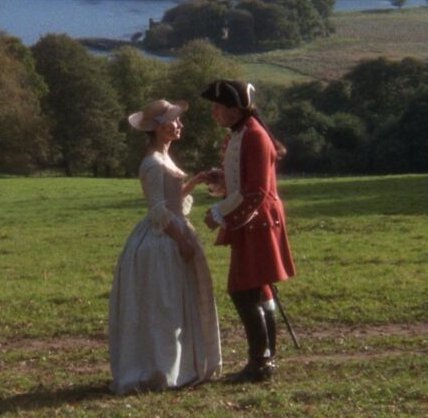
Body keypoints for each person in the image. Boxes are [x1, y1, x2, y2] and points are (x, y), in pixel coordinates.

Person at [108, 99, 222, 394]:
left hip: (172, 232)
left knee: (174, 300)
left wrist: (193, 182)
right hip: (161, 241)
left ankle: (180, 365)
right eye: (174, 120)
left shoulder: (164, 158)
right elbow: (158, 209)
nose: (179, 125)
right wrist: (181, 240)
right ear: (159, 128)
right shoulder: (152, 162)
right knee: (163, 303)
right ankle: (159, 367)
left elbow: (172, 199)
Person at [201, 79, 296, 383]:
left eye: (218, 107)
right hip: (250, 221)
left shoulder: (253, 136)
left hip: (256, 220)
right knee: (257, 289)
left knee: (243, 290)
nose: (214, 112)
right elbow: (242, 180)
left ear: (234, 109)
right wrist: (219, 179)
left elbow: (255, 191)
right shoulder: (239, 135)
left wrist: (219, 213)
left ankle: (260, 363)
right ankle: (265, 359)